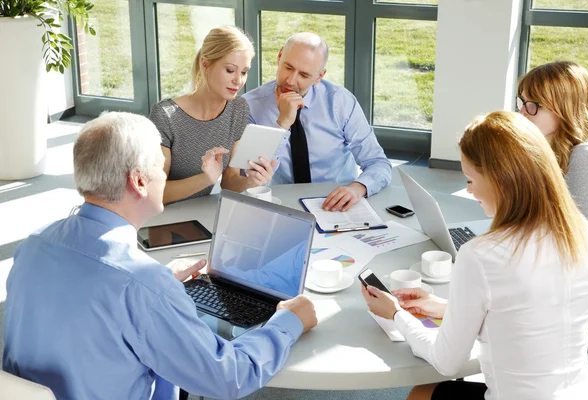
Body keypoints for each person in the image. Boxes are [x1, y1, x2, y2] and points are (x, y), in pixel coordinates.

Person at [2, 112, 317, 400]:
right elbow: (228, 377)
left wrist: (159, 284)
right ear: (139, 181)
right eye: (159, 166)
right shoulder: (144, 286)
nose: (164, 175)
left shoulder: (33, 244)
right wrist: (288, 322)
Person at [361, 111, 588, 400]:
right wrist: (443, 307)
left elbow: (445, 361)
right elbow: (523, 317)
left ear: (500, 179)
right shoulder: (580, 234)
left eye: (470, 180)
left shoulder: (482, 255)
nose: (469, 191)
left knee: (421, 394)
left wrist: (396, 315)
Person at [243, 32, 392, 212]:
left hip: (336, 203)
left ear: (319, 76)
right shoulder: (250, 106)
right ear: (279, 56)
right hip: (281, 203)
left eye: (304, 75)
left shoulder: (340, 102)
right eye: (288, 67)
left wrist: (358, 188)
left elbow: (378, 162)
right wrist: (282, 124)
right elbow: (250, 177)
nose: (291, 81)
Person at [516, 61, 588, 368]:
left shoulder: (586, 157)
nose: (522, 112)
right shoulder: (553, 150)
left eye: (532, 105)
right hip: (563, 274)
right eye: (521, 102)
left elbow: (571, 246)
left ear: (563, 109)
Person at [149, 26, 276, 205]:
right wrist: (206, 179)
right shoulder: (165, 116)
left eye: (244, 72)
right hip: (165, 220)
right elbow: (155, 192)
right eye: (230, 70)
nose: (238, 80)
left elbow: (229, 181)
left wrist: (251, 180)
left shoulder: (237, 109)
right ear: (206, 64)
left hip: (203, 216)